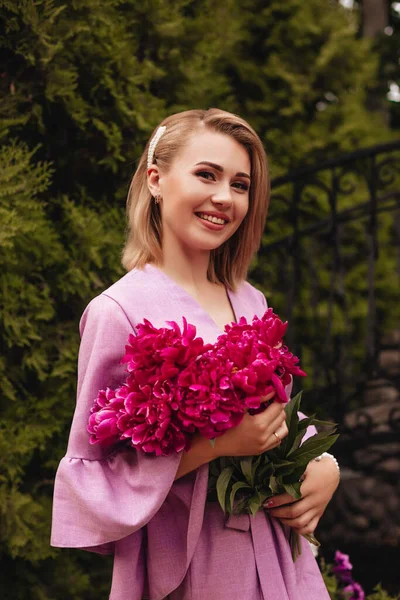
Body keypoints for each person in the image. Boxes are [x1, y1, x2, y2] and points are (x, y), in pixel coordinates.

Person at [51, 108, 340, 600]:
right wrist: (216, 446)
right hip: (188, 566)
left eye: (241, 184)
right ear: (156, 179)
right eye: (206, 174)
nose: (224, 198)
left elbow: (276, 418)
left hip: (277, 558)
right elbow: (92, 478)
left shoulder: (250, 300)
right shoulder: (117, 312)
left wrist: (325, 464)